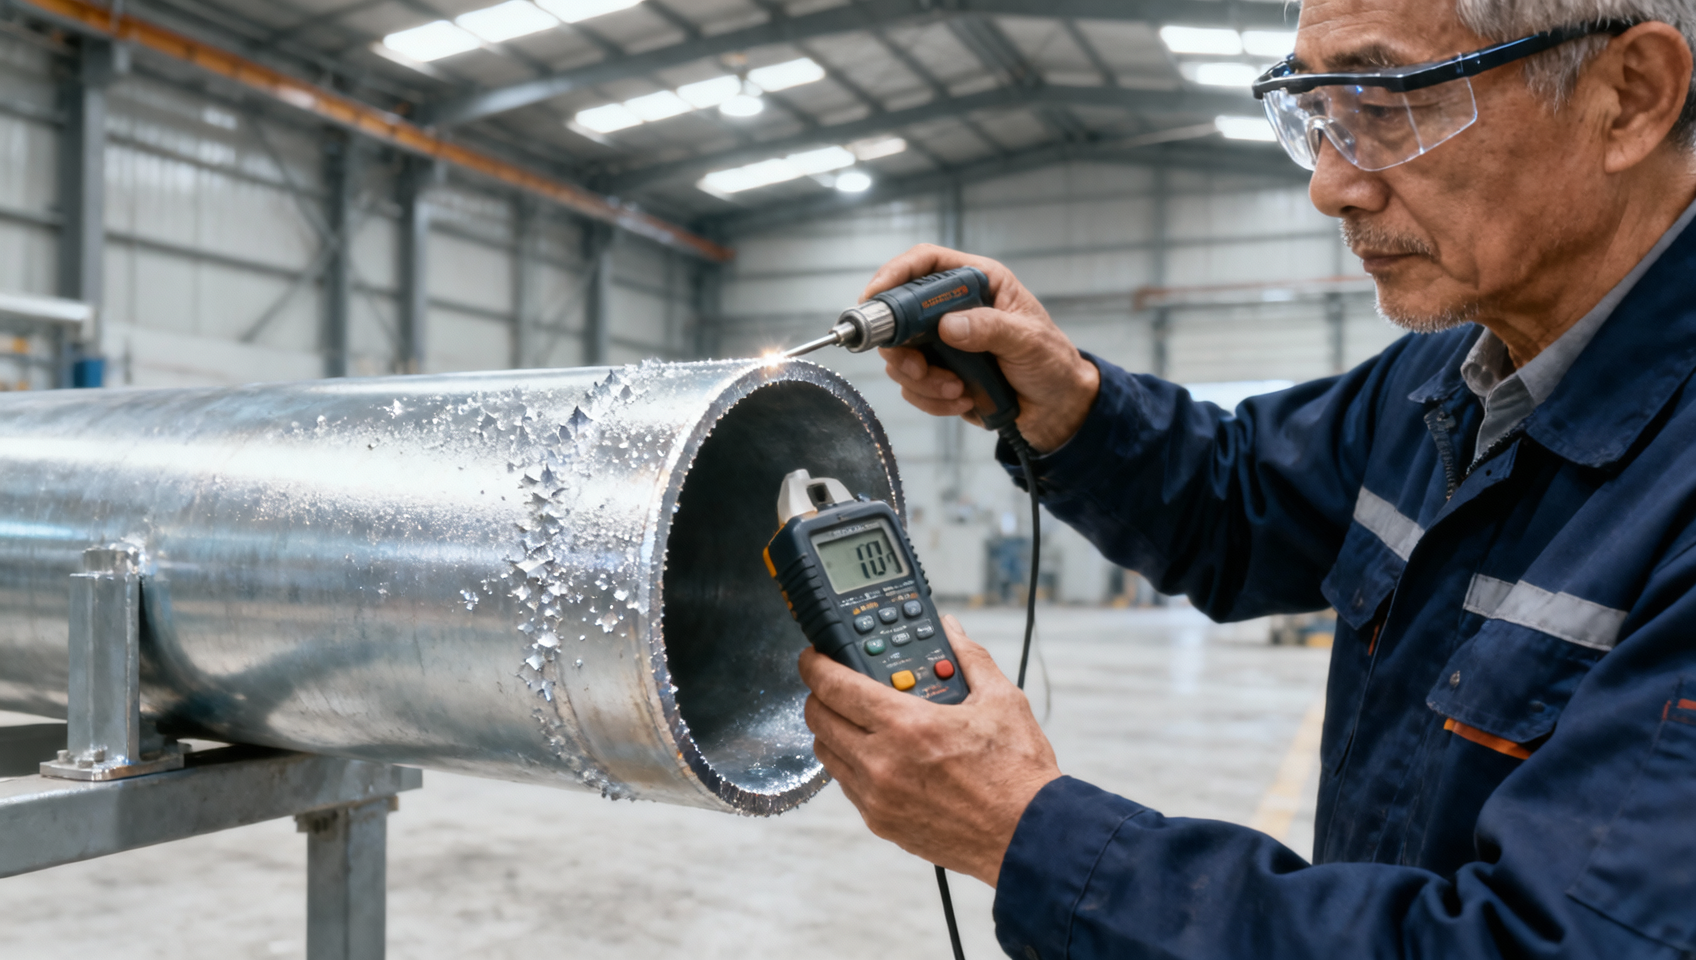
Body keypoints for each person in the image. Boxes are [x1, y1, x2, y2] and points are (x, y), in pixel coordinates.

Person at [797, 0, 1696, 956]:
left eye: (1385, 106)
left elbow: (1537, 943)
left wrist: (1029, 832)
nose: (1331, 186)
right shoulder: (1453, 374)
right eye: (1319, 114)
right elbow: (1246, 502)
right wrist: (1068, 401)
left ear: (1629, 97)